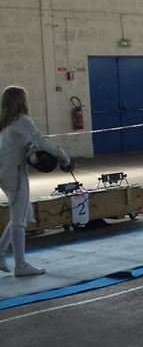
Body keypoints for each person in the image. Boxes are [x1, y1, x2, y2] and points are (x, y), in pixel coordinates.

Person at [0, 86, 71, 276]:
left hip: (5, 173)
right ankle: (21, 266)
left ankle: (1, 252)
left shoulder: (4, 122)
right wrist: (64, 158)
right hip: (14, 174)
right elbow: (42, 141)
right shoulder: (21, 120)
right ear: (20, 100)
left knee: (23, 214)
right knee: (19, 220)